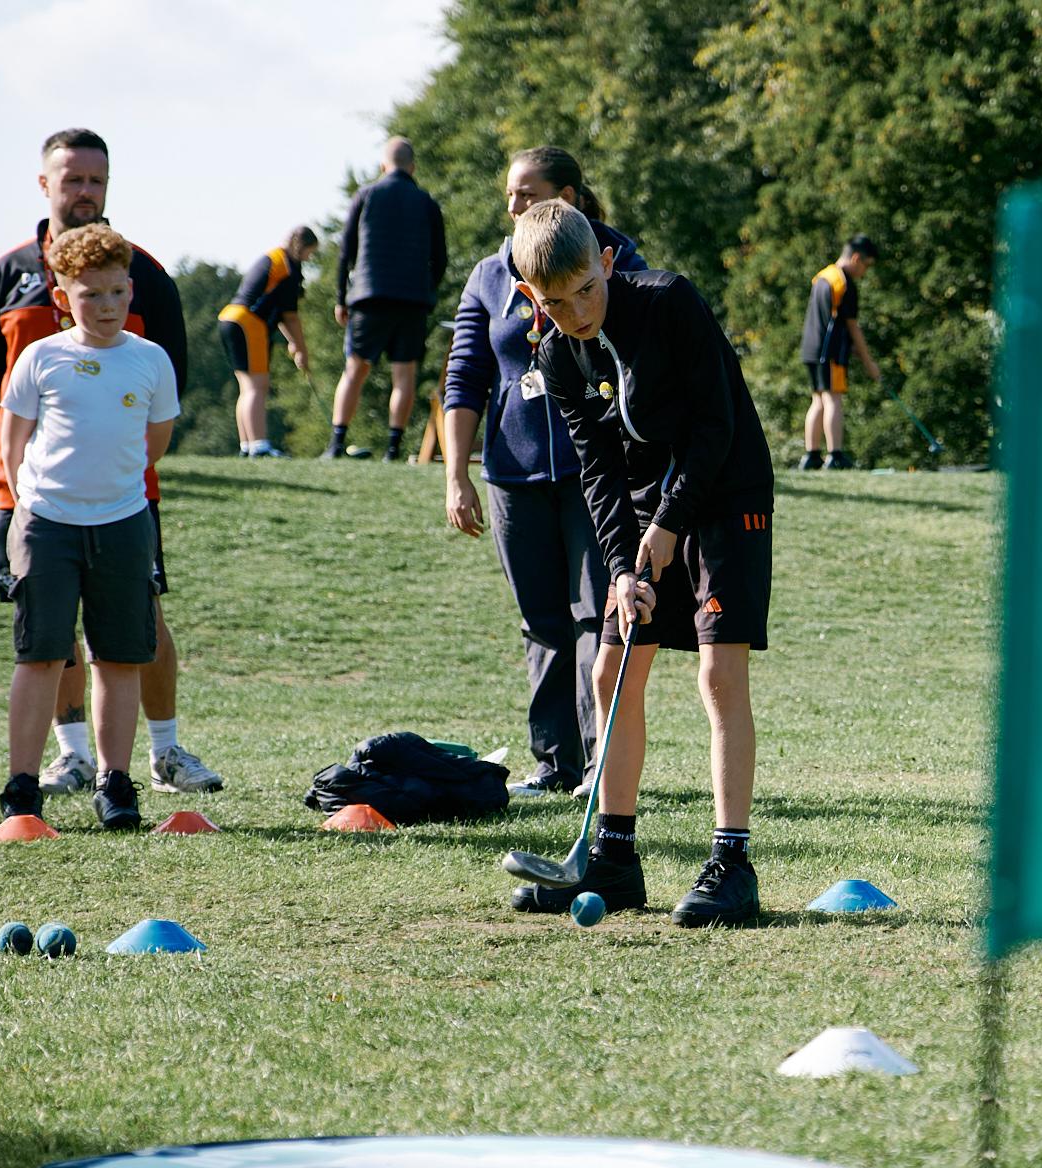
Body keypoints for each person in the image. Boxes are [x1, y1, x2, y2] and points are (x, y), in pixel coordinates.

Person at [513, 199, 774, 927]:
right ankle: (615, 860)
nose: (577, 313)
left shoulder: (668, 302)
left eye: (586, 291)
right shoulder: (557, 356)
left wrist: (668, 524)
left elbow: (716, 424)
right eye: (555, 303)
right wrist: (623, 567)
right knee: (611, 670)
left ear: (605, 261)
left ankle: (732, 863)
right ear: (532, 295)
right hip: (642, 506)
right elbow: (598, 471)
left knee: (718, 673)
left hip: (725, 491)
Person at [0, 126, 223, 800]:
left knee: (138, 629)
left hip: (125, 498)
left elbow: (164, 390)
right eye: (73, 179)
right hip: (30, 497)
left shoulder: (146, 271)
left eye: (97, 180)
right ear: (45, 183)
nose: (85, 191)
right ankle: (70, 757)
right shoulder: (8, 273)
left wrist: (118, 465)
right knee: (47, 641)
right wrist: (31, 478)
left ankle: (161, 754)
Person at [442, 146, 646, 797]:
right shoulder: (489, 275)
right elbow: (464, 377)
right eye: (509, 193)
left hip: (597, 473)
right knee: (541, 621)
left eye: (527, 193)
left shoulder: (616, 259)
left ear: (568, 198)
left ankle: (601, 761)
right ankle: (556, 762)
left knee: (596, 614)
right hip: (514, 474)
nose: (513, 206)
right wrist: (456, 474)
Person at [0, 224, 179, 832]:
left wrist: (110, 490)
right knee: (41, 655)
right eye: (91, 295)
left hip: (124, 525)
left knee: (119, 658)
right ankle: (22, 787)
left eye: (117, 292)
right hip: (46, 525)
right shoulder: (41, 357)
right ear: (62, 296)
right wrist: (28, 509)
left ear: (131, 290)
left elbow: (154, 444)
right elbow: (12, 442)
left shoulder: (150, 360)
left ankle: (115, 782)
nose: (107, 306)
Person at [326, 137, 447, 461]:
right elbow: (440, 258)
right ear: (413, 167)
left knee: (355, 369)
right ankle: (393, 449)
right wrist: (427, 289)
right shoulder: (427, 202)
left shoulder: (365, 195)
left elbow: (345, 252)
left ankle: (336, 443)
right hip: (412, 299)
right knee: (404, 374)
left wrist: (341, 298)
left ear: (383, 165)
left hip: (370, 296)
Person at [217, 226, 317, 458]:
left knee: (247, 386)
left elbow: (279, 312)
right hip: (249, 322)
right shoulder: (287, 268)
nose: (309, 258)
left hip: (229, 317)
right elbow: (290, 316)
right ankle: (260, 446)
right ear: (301, 247)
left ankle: (247, 445)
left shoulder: (274, 257)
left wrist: (293, 343)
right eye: (310, 253)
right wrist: (301, 349)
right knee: (257, 386)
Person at [798, 234, 882, 470]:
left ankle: (811, 455)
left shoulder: (823, 276)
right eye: (866, 266)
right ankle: (834, 455)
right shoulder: (845, 283)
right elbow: (853, 327)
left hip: (810, 349)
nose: (864, 272)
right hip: (831, 352)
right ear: (856, 258)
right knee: (833, 398)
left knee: (818, 399)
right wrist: (869, 363)